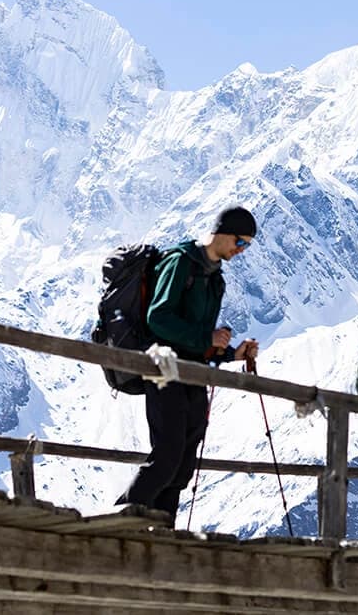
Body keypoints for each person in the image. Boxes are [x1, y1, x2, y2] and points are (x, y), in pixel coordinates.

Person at [117, 205, 260, 522]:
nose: (242, 251)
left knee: (183, 464)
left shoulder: (215, 280)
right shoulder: (180, 262)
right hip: (164, 371)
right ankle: (124, 521)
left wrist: (231, 353)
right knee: (167, 456)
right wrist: (207, 337)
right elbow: (158, 317)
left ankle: (162, 529)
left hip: (193, 375)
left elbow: (200, 342)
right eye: (240, 242)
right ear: (222, 233)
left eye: (246, 246)